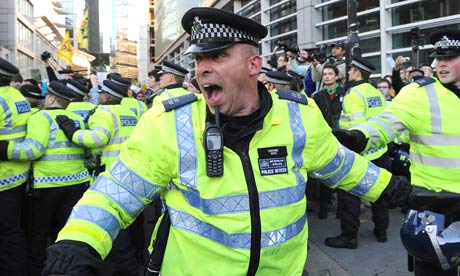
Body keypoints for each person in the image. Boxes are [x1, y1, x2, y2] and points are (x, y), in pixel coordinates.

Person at [42, 7, 438, 276]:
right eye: (199, 60)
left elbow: (343, 167)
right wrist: (77, 245)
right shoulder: (168, 124)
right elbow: (113, 194)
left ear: (253, 66)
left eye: (217, 56)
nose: (202, 69)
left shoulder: (298, 117)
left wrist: (403, 193)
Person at [333, 29, 460, 276]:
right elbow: (387, 122)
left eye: (450, 58)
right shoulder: (420, 93)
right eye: (439, 58)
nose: (441, 64)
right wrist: (360, 137)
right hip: (435, 206)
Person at [1, 81, 90, 275]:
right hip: (76, 184)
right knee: (67, 233)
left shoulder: (40, 117)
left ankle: (39, 270)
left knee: (38, 235)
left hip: (47, 186)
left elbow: (32, 151)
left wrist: (4, 148)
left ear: (50, 98)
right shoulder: (77, 118)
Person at [325, 56, 390, 249]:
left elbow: (357, 130)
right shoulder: (376, 92)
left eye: (351, 69)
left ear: (357, 72)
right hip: (380, 151)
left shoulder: (353, 94)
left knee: (349, 196)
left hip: (359, 154)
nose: (349, 72)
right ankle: (381, 231)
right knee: (380, 193)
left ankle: (349, 237)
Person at [0, 57, 31, 276]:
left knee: (7, 234)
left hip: (2, 178)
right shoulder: (17, 96)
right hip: (18, 175)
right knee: (13, 231)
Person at [312, 64, 346, 219]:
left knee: (343, 169)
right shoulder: (318, 95)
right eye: (324, 74)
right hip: (326, 136)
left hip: (343, 136)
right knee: (325, 171)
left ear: (336, 76)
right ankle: (323, 206)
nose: (326, 76)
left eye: (330, 74)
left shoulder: (345, 93)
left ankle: (341, 208)